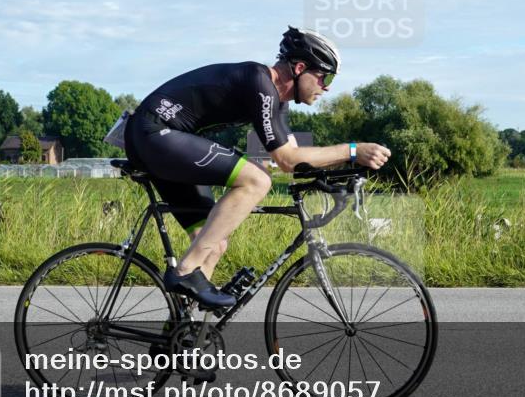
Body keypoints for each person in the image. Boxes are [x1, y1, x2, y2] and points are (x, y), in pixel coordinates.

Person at [124, 26, 391, 307]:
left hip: (161, 140)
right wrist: (353, 150)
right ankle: (185, 272)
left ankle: (181, 339)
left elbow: (296, 158)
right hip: (153, 133)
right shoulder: (259, 83)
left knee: (212, 245)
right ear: (300, 68)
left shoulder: (276, 101)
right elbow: (285, 160)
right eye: (325, 76)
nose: (327, 87)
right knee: (257, 180)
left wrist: (340, 171)